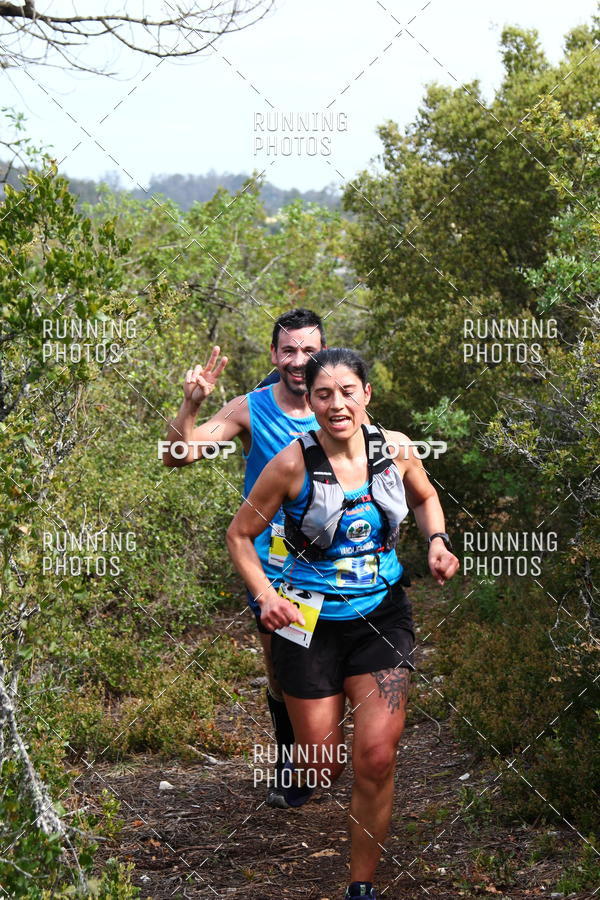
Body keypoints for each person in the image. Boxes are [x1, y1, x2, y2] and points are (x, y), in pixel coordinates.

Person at [226, 348, 459, 900]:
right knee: (322, 767)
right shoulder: (291, 464)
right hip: (306, 622)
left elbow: (425, 496)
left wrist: (437, 541)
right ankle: (293, 735)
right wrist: (265, 596)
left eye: (348, 392)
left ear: (366, 395)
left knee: (376, 757)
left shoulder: (395, 449)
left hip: (381, 616)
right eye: (324, 394)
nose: (337, 404)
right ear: (310, 401)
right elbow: (239, 536)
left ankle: (361, 885)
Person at [162, 308, 326, 807]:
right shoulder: (249, 408)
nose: (298, 360)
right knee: (283, 668)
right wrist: (190, 406)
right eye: (289, 350)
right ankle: (293, 760)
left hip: (334, 560)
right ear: (274, 355)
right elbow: (178, 455)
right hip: (272, 566)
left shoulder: (339, 404)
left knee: (327, 664)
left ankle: (322, 753)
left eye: (309, 350)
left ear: (323, 354)